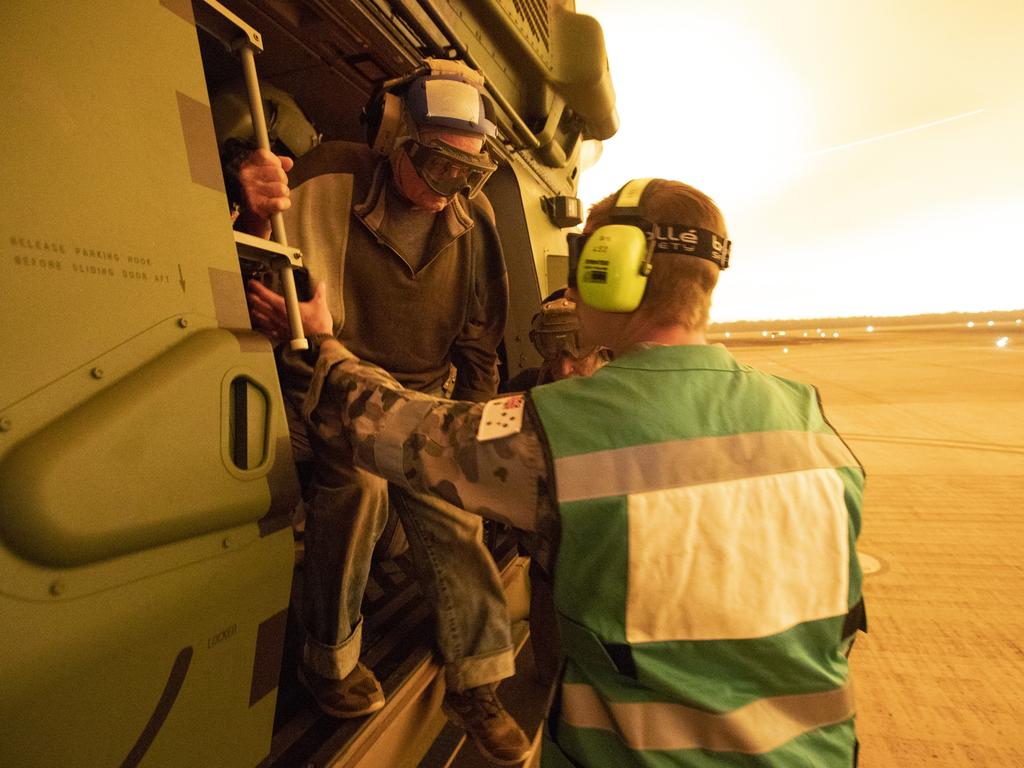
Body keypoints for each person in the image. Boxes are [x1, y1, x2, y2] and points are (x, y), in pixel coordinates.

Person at [254, 175, 867, 766]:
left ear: (611, 269)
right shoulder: (808, 420)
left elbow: (394, 429)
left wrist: (326, 343)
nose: (571, 290)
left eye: (583, 264)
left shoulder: (560, 431)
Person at [238, 59, 531, 764]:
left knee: (455, 513)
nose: (449, 189)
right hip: (325, 390)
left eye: (468, 172)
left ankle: (478, 680)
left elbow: (480, 342)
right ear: (395, 140)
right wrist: (248, 210)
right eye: (435, 167)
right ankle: (329, 658)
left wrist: (467, 440)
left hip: (420, 405)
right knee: (359, 485)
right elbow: (246, 275)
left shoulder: (473, 215)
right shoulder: (322, 178)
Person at [502, 289, 610, 393]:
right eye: (552, 349)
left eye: (579, 348)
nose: (564, 370)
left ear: (602, 352)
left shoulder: (620, 397)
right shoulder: (525, 386)